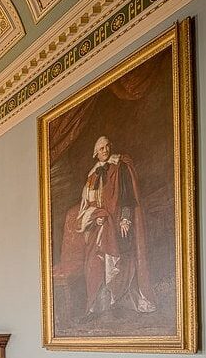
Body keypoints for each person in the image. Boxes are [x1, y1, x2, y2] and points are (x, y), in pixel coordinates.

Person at [56, 136, 154, 320]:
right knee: (94, 265)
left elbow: (127, 195)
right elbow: (87, 204)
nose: (106, 150)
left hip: (117, 224)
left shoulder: (120, 166)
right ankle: (98, 306)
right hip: (98, 227)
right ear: (96, 153)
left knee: (120, 263)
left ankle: (119, 302)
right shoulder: (92, 175)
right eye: (101, 148)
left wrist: (125, 219)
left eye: (108, 146)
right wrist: (95, 218)